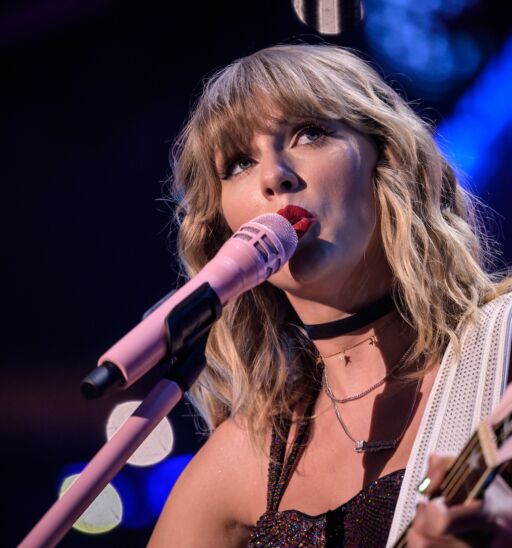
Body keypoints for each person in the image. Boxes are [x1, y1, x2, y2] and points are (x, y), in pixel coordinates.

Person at [149, 44, 512, 546]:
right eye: (238, 163)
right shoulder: (242, 459)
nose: (274, 175)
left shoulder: (503, 346)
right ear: (223, 230)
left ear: (387, 161)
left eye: (309, 133)